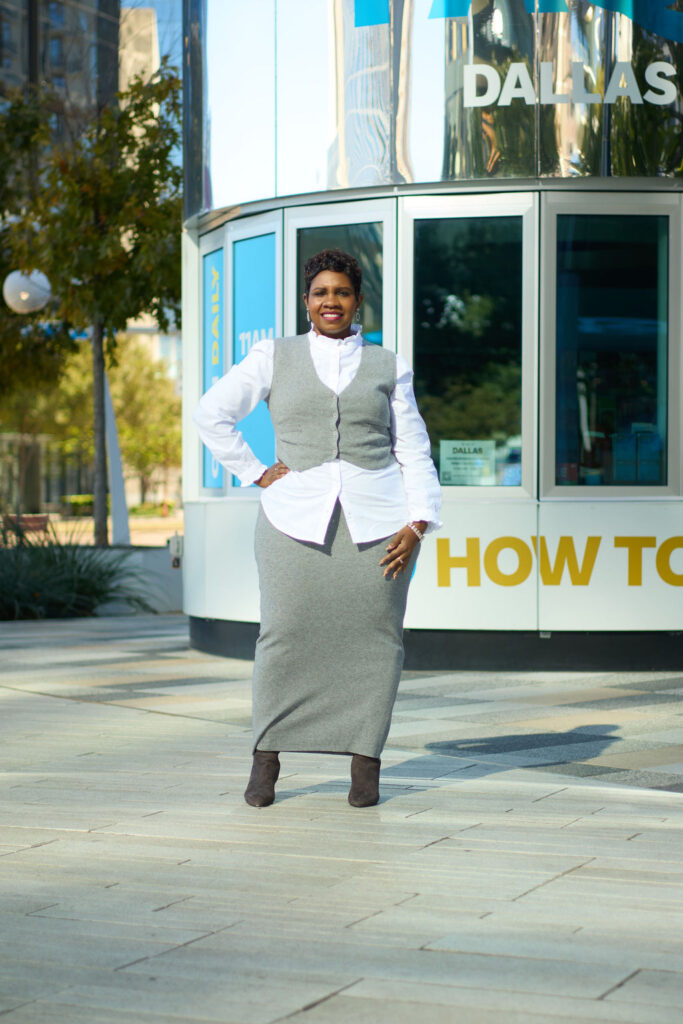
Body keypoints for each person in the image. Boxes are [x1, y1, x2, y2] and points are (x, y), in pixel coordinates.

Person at [193, 248, 441, 808]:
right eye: (321, 293)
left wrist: (418, 523)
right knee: (282, 635)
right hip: (291, 521)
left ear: (358, 300)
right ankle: (266, 758)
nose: (332, 302)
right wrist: (256, 471)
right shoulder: (273, 355)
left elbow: (414, 449)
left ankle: (365, 762)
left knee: (377, 640)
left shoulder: (389, 364)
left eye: (342, 292)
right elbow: (211, 413)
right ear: (306, 302)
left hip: (380, 526)